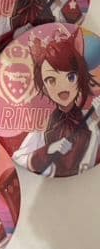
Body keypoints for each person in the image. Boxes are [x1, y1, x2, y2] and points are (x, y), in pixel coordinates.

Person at [13, 27, 100, 177]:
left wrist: (96, 127)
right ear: (44, 88)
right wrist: (48, 150)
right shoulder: (43, 128)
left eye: (70, 77)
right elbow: (19, 156)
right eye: (51, 80)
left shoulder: (91, 117)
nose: (62, 87)